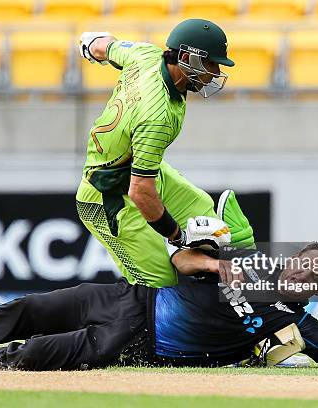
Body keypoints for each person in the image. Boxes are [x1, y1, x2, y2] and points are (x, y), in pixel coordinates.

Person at [0, 241, 318, 371]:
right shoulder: (247, 262)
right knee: (40, 305)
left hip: (152, 342)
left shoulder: (299, 323)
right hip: (135, 298)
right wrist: (215, 267)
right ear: (293, 260)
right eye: (305, 263)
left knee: (74, 349)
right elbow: (181, 258)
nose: (305, 273)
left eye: (317, 274)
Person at [76, 18, 241, 288]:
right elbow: (140, 191)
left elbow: (104, 45)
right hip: (107, 194)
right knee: (158, 283)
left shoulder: (145, 54)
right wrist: (177, 237)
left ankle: (218, 295)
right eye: (210, 63)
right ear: (187, 57)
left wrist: (89, 44)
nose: (214, 73)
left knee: (204, 213)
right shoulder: (158, 116)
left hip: (137, 170)